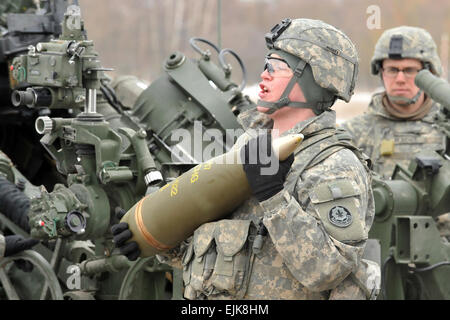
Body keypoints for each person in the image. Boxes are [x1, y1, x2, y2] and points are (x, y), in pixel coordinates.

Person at [112, 18, 380, 300]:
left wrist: (274, 196)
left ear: (314, 79)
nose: (264, 75)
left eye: (277, 67)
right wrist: (156, 238)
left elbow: (327, 269)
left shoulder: (334, 164)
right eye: (266, 65)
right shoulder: (245, 145)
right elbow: (217, 253)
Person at [340, 26, 449, 239]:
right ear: (381, 72)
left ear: (430, 74)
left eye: (409, 70)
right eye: (392, 69)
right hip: (376, 254)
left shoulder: (445, 131)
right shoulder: (352, 133)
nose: (400, 79)